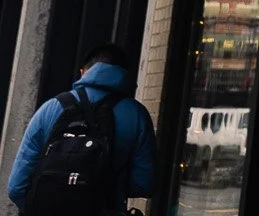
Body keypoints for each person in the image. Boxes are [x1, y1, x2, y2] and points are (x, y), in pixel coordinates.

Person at [7, 42, 157, 212]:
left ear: (83, 73)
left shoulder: (50, 109)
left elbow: (16, 187)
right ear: (125, 76)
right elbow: (144, 184)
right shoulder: (136, 115)